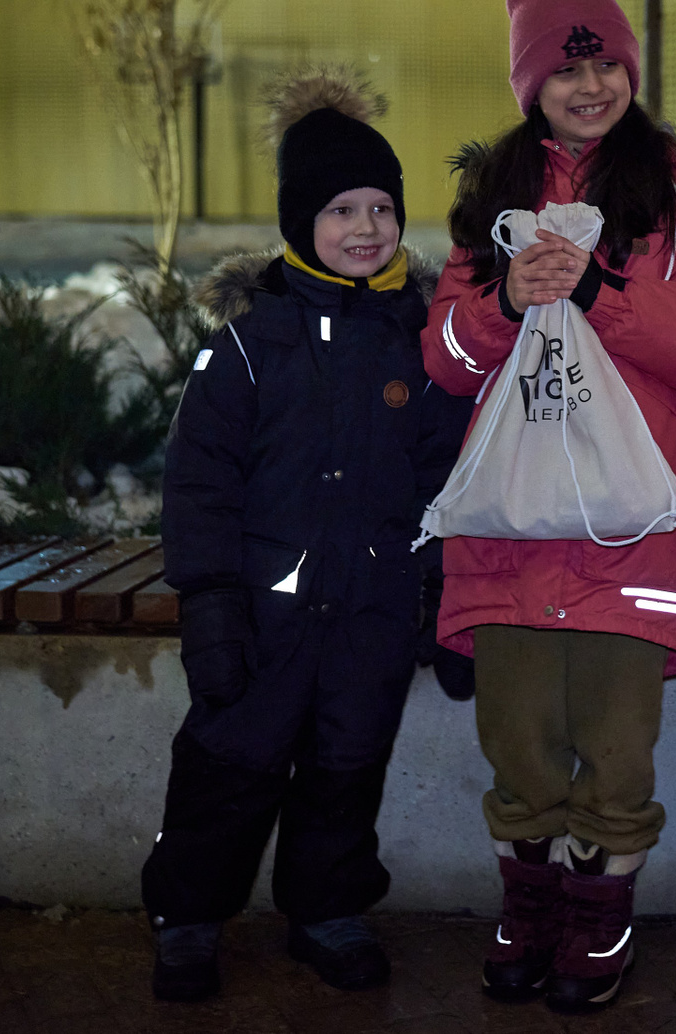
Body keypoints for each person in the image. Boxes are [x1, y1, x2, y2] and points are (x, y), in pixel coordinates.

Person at [420, 0, 676, 1013]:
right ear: (532, 85)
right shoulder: (494, 200)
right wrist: (502, 302)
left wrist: (604, 295)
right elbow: (445, 362)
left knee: (615, 754)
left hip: (631, 536)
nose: (591, 85)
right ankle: (530, 913)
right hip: (509, 541)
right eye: (566, 70)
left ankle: (598, 922)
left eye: (605, 62)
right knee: (517, 748)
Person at [144, 70, 464, 1002]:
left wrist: (443, 591)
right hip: (262, 618)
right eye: (340, 210)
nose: (366, 228)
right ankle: (187, 918)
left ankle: (327, 911)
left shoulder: (421, 339)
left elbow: (445, 479)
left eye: (381, 208)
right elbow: (199, 480)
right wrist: (209, 601)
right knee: (226, 771)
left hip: (370, 613)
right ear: (299, 221)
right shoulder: (252, 342)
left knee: (346, 768)